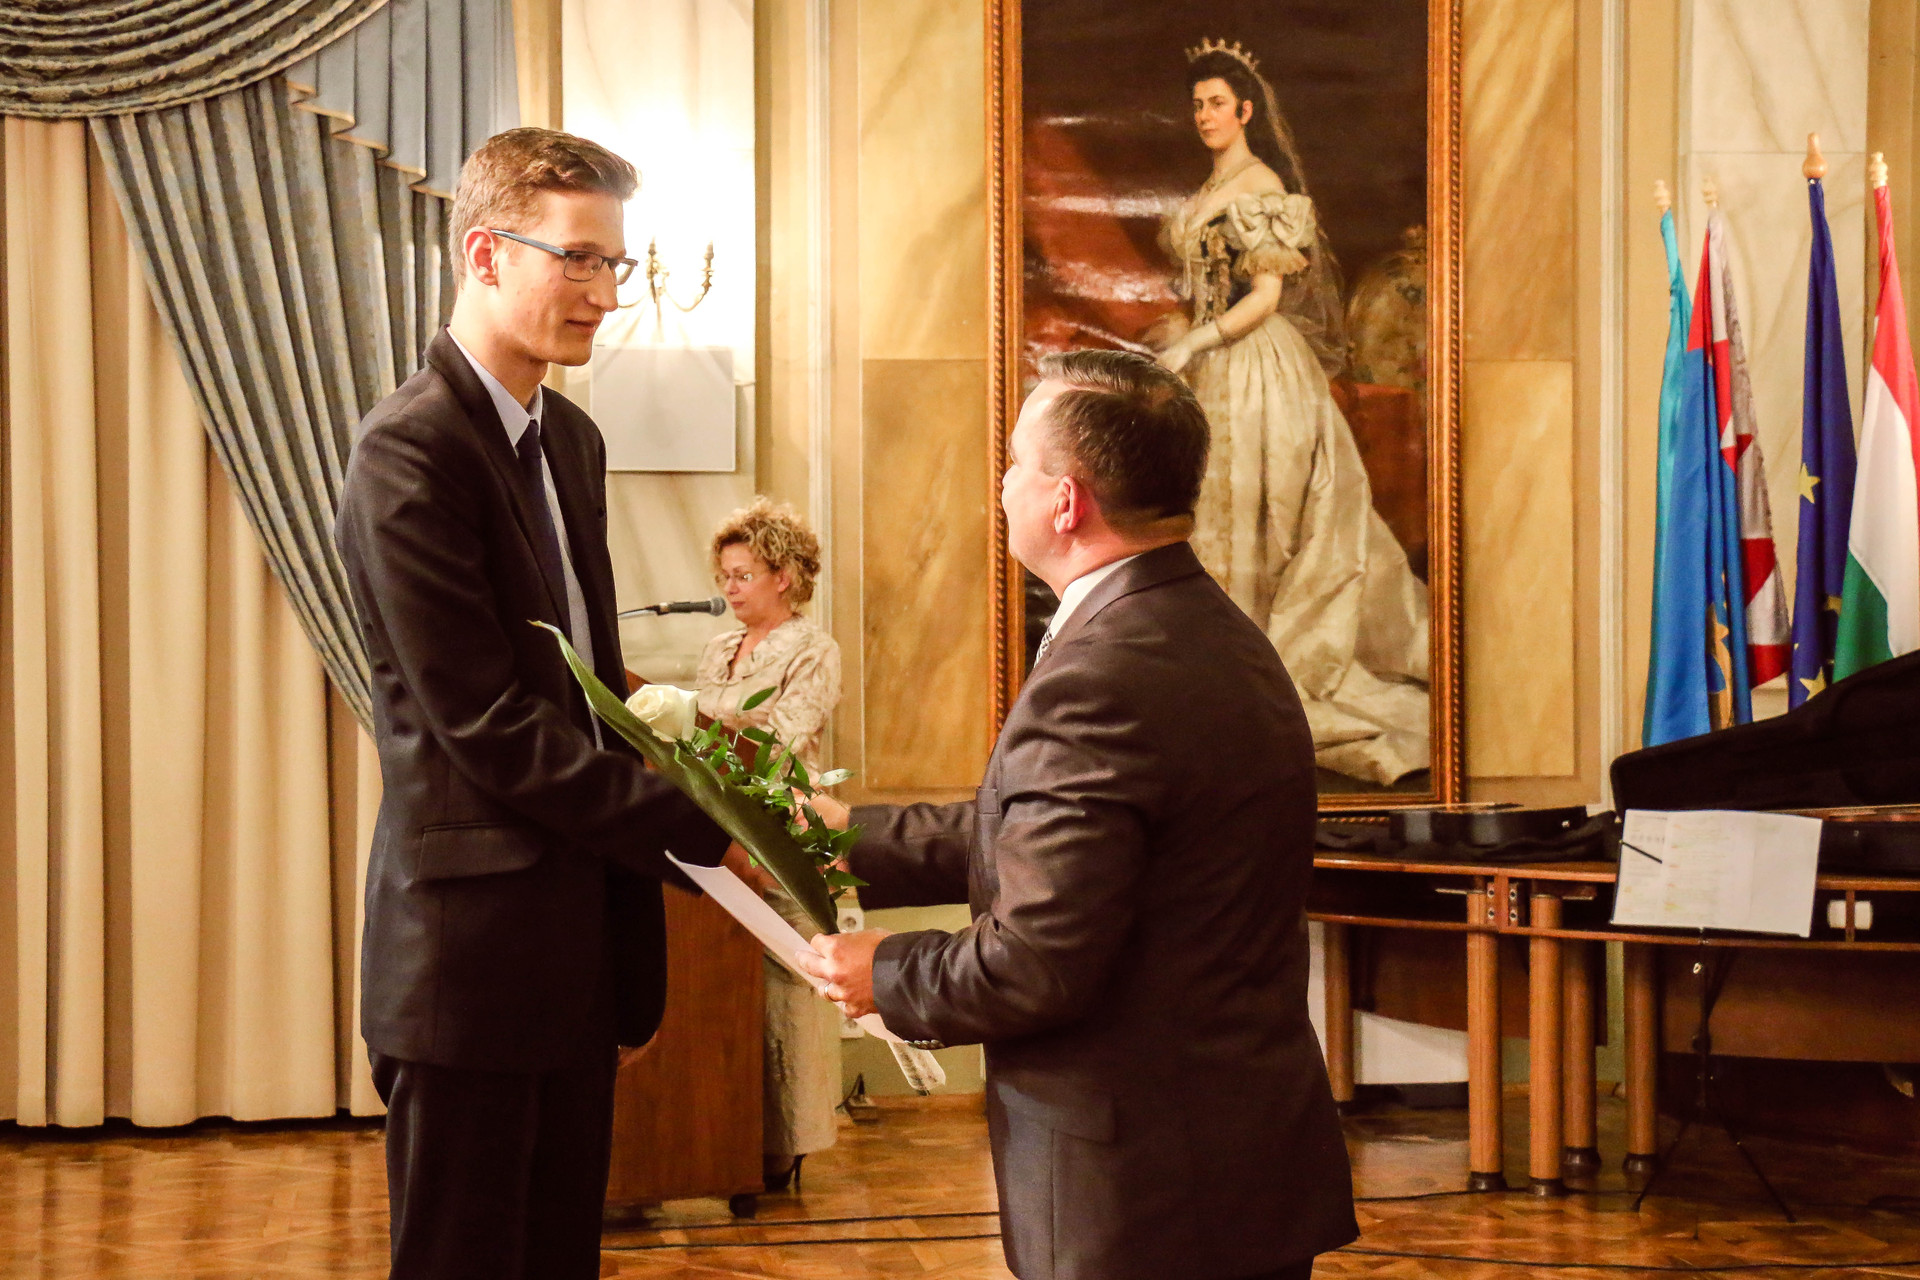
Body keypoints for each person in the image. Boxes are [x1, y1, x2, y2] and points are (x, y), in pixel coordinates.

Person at [797, 350, 1358, 1280]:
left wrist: (884, 973)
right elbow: (1056, 835)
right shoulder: (1207, 630)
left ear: (1066, 502)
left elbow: (1035, 965)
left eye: (1017, 461)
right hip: (1231, 1147)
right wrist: (842, 841)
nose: (1003, 482)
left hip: (1142, 1186)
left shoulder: (1102, 674)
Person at [334, 128, 758, 1280]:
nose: (606, 294)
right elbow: (488, 724)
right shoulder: (408, 451)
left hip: (579, 945)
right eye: (578, 259)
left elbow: (583, 679)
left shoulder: (570, 437)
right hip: (467, 963)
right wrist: (710, 831)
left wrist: (700, 738)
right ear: (484, 253)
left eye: (616, 263)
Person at [1151, 39, 1430, 786]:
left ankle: (1253, 677)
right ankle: (1215, 677)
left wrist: (1195, 342)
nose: (1205, 115)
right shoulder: (1213, 185)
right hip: (1214, 363)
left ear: (1246, 110)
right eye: (1198, 104)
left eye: (1217, 103)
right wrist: (1184, 336)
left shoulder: (1261, 183)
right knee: (1215, 512)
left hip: (1256, 366)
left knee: (1261, 516)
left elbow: (1267, 298)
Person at [692, 497, 843, 1189]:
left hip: (783, 827)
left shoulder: (814, 649)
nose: (729, 587)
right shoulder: (718, 649)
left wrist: (703, 734)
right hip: (718, 827)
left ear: (784, 576)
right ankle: (724, 1132)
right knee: (720, 982)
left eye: (743, 574)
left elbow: (781, 739)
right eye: (724, 575)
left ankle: (788, 1142)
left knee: (789, 981)